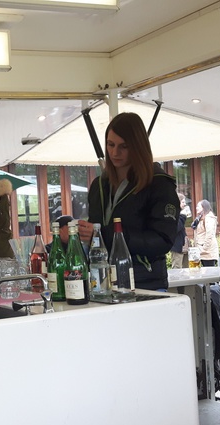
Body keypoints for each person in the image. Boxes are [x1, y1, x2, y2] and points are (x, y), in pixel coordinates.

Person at [78, 112, 180, 291]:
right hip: (102, 284)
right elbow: (96, 231)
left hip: (145, 284)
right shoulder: (99, 185)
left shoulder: (158, 184)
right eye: (110, 144)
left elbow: (162, 240)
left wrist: (104, 234)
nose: (114, 153)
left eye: (123, 146)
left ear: (138, 146)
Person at [193, 199, 219, 266]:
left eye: (198, 206)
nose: (196, 208)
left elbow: (209, 235)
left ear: (203, 207)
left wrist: (204, 248)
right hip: (201, 252)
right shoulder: (200, 218)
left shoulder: (209, 218)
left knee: (209, 271)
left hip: (208, 253)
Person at [170, 194, 189, 269]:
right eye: (183, 202)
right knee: (177, 269)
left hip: (183, 247)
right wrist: (183, 216)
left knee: (186, 270)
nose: (185, 204)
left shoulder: (179, 214)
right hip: (177, 248)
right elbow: (176, 228)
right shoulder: (172, 214)